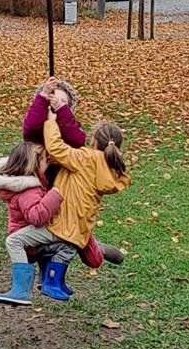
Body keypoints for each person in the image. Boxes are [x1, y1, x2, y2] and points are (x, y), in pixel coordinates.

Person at [27, 105, 129, 301]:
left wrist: (50, 122)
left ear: (92, 142)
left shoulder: (85, 157)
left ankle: (51, 282)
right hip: (82, 221)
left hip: (65, 217)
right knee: (70, 248)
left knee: (65, 250)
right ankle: (57, 280)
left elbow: (56, 147)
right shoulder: (111, 167)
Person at [21, 78, 124, 267]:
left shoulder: (70, 134)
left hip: (64, 198)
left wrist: (60, 113)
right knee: (32, 245)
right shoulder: (36, 129)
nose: (55, 103)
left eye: (62, 102)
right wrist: (43, 99)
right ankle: (50, 267)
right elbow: (30, 128)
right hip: (38, 189)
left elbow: (77, 140)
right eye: (52, 99)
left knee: (92, 260)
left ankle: (96, 248)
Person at [0, 141, 62, 306]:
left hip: (32, 231)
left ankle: (33, 285)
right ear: (33, 167)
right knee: (14, 241)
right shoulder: (29, 190)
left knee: (15, 241)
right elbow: (37, 217)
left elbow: (35, 217)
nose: (47, 162)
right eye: (43, 160)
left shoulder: (21, 186)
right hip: (35, 231)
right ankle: (22, 289)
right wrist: (55, 194)